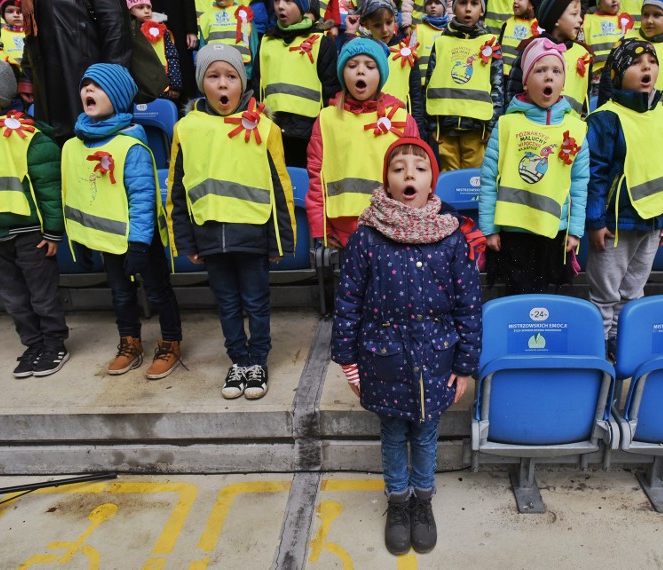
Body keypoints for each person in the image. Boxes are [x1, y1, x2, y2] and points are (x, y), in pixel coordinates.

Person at [331, 136, 482, 557]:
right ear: (387, 181)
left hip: (438, 358)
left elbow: (469, 306)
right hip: (384, 358)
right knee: (393, 433)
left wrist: (465, 365)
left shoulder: (451, 237)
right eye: (398, 168)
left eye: (418, 167)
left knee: (427, 433)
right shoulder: (367, 236)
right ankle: (398, 504)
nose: (408, 174)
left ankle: (423, 502)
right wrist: (347, 361)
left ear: (432, 180)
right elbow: (348, 301)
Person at [168, 44, 295, 399]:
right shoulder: (186, 128)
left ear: (243, 83)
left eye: (230, 76)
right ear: (201, 83)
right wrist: (185, 241)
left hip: (252, 235)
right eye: (213, 76)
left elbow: (279, 185)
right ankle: (238, 360)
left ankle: (258, 361)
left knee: (256, 302)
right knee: (226, 303)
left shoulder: (264, 128)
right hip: (210, 238)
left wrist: (279, 241)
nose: (222, 84)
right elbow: (177, 188)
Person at [62, 63, 184, 379]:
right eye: (85, 85)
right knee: (120, 294)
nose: (88, 90)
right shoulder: (74, 145)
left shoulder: (130, 145)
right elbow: (76, 197)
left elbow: (143, 197)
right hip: (106, 240)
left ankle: (170, 341)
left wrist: (139, 244)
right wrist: (79, 239)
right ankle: (129, 342)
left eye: (97, 86)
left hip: (140, 241)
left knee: (157, 291)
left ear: (117, 97)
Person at [584, 39, 663, 358]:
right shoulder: (605, 118)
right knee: (605, 292)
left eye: (651, 61)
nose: (646, 67)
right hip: (616, 225)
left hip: (654, 222)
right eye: (635, 62)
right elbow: (595, 174)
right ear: (616, 74)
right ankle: (597, 346)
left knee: (633, 291)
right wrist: (595, 221)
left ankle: (620, 340)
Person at [479, 38, 588, 294]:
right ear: (526, 81)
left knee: (547, 300)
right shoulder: (506, 125)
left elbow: (581, 184)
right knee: (517, 294)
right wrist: (489, 229)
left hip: (554, 233)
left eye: (556, 71)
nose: (549, 77)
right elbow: (488, 179)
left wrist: (574, 231)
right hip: (513, 233)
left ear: (563, 82)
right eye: (540, 70)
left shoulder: (577, 128)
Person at [0, 58, 69, 378]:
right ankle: (33, 344)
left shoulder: (26, 135)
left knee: (42, 293)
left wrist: (52, 232)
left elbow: (48, 187)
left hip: (30, 233)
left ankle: (54, 343)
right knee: (13, 298)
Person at [306, 38, 419, 249]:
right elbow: (316, 177)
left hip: (392, 227)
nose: (360, 72)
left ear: (381, 74)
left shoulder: (403, 119)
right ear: (342, 74)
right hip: (343, 230)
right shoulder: (326, 119)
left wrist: (412, 223)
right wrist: (321, 226)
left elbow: (418, 177)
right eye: (352, 65)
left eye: (370, 66)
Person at [21, 0, 132, 144]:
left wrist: (113, 85)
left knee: (97, 152)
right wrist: (28, 76)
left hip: (87, 81)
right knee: (57, 149)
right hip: (48, 86)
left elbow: (116, 26)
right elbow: (33, 28)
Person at [257, 0, 340, 167]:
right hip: (271, 132)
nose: (280, 6)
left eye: (288, 1)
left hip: (308, 136)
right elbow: (256, 87)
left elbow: (331, 91)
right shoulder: (266, 41)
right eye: (277, 1)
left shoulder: (321, 42)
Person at [424, 0, 504, 170]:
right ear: (453, 8)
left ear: (482, 10)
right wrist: (431, 124)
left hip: (477, 128)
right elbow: (430, 83)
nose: (468, 9)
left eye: (474, 3)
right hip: (445, 127)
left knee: (472, 182)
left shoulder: (491, 42)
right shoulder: (441, 42)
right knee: (447, 182)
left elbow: (497, 86)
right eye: (462, 3)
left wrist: (492, 125)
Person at [343, 0, 426, 137]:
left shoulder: (406, 53)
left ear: (395, 19)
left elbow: (416, 98)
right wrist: (350, 34)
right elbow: (347, 67)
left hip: (400, 125)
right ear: (366, 25)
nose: (385, 30)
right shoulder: (363, 52)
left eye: (389, 22)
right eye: (377, 25)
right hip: (367, 126)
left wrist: (418, 132)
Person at [505, 0, 591, 115]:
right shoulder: (532, 48)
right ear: (556, 20)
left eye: (580, 14)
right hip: (532, 128)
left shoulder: (583, 54)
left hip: (570, 130)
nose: (580, 19)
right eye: (574, 14)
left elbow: (585, 99)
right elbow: (514, 90)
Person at [599, 0, 663, 113]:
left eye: (657, 15)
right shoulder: (625, 42)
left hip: (656, 118)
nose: (649, 20)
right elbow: (608, 83)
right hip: (623, 115)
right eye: (645, 14)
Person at [127, 0, 184, 101]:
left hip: (161, 85)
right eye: (140, 8)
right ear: (129, 10)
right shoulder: (126, 32)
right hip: (136, 87)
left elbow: (172, 57)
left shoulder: (162, 30)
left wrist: (175, 84)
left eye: (148, 7)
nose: (146, 11)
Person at [197, 0, 259, 81]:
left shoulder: (244, 13)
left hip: (242, 73)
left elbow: (254, 47)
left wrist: (249, 75)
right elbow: (203, 52)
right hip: (215, 75)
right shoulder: (205, 18)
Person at [151, 0, 200, 101]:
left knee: (183, 64)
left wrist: (191, 30)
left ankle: (186, 107)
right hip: (150, 19)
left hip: (177, 22)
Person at [583, 0, 633, 81]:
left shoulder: (625, 20)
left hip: (620, 75)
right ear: (599, 3)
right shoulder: (587, 20)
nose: (614, 1)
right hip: (595, 75)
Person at [408, 0, 449, 87]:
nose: (433, 6)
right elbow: (410, 57)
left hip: (444, 85)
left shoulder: (450, 31)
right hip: (422, 84)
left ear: (444, 7)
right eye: (429, 3)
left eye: (437, 3)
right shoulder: (418, 30)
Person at [497, 0, 538, 77]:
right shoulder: (507, 23)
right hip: (501, 76)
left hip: (520, 78)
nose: (515, 1)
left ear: (532, 4)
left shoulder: (537, 27)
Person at [0, 0, 25, 67]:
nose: (16, 15)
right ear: (3, 14)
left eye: (21, 11)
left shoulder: (35, 34)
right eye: (10, 11)